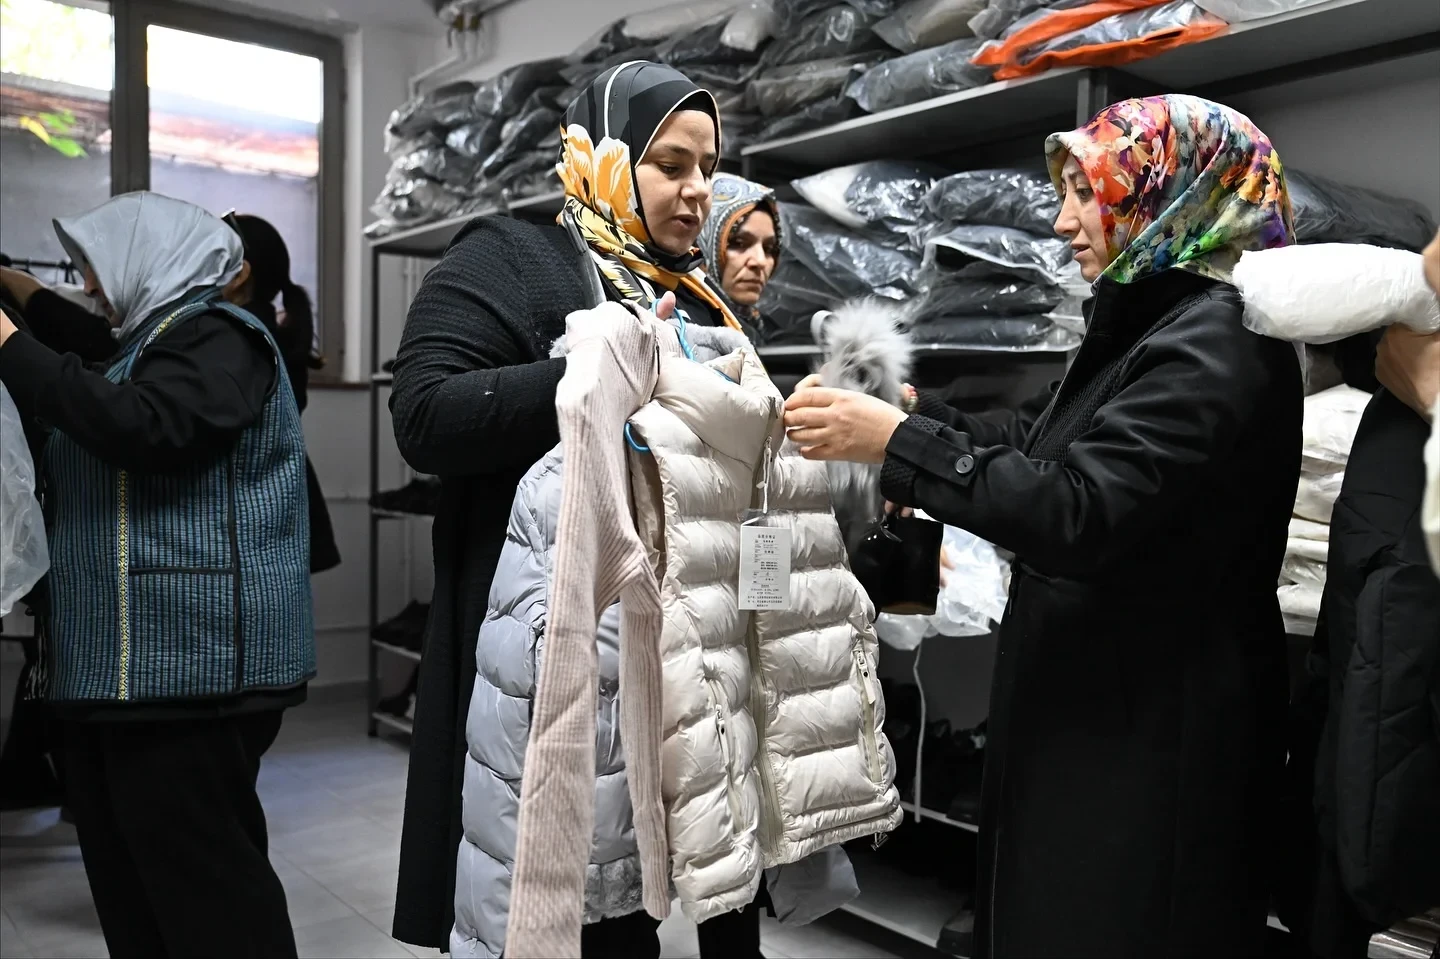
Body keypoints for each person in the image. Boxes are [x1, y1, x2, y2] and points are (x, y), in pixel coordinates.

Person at [784, 95, 1303, 957]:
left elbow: (1080, 508)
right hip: (1102, 712)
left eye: (1087, 193)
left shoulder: (1217, 345)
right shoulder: (1147, 327)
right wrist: (913, 415)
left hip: (1152, 734)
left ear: (1167, 192)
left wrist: (899, 442)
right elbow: (1036, 443)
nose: (1062, 222)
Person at [388, 62, 746, 957]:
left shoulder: (693, 294)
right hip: (540, 650)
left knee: (625, 904)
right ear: (604, 157)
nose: (698, 191)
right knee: (544, 903)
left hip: (658, 657)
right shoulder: (512, 256)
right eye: (671, 164)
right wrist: (588, 374)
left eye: (709, 167)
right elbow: (423, 415)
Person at [0, 191, 312, 959]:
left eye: (97, 269)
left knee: (210, 904)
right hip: (125, 679)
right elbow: (86, 374)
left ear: (154, 261)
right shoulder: (144, 346)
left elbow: (151, 427)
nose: (90, 288)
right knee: (135, 896)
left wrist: (5, 342)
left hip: (192, 679)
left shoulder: (221, 336)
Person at [221, 212, 341, 574]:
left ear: (240, 274)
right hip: (279, 496)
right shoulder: (266, 330)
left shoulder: (244, 336)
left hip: (262, 504)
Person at [696, 173, 780, 331]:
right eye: (739, 243)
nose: (760, 261)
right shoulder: (681, 328)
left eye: (769, 249)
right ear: (704, 242)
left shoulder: (754, 327)